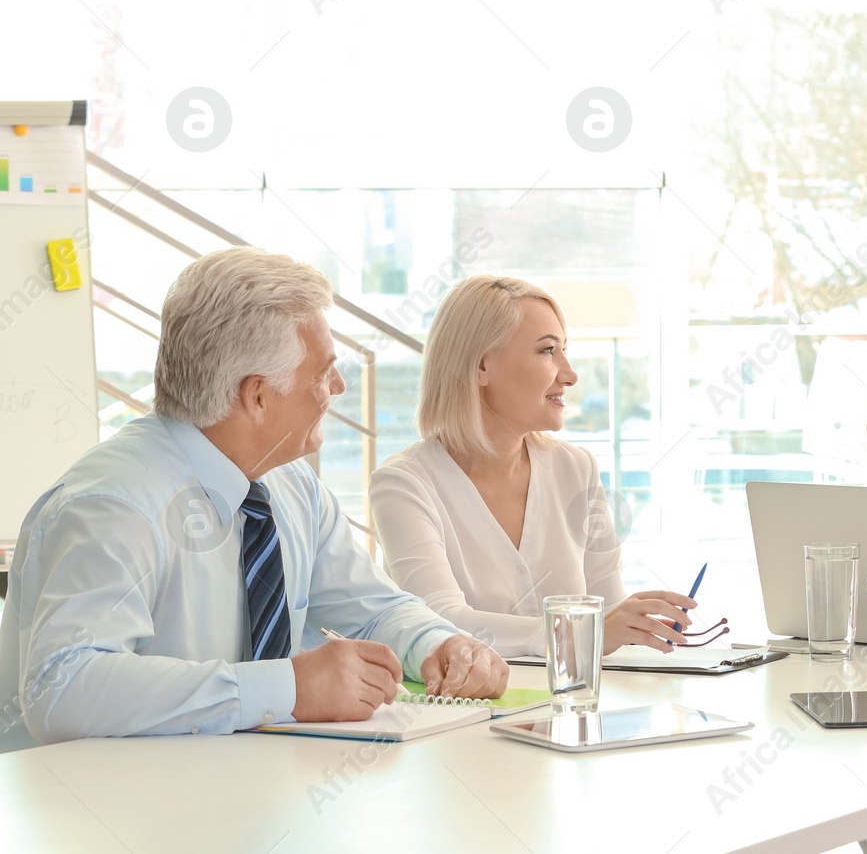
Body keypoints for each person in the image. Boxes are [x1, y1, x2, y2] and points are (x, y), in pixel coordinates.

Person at [0, 248, 506, 753]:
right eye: (324, 373)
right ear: (258, 396)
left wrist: (439, 644)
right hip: (100, 816)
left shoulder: (290, 483)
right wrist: (286, 686)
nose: (339, 386)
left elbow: (371, 610)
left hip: (238, 798)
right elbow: (61, 687)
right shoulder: (114, 505)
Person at [369, 275, 696, 659]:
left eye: (564, 351)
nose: (570, 374)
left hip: (574, 705)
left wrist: (636, 624)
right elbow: (439, 621)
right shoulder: (404, 484)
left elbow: (606, 620)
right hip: (468, 715)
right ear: (480, 366)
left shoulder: (575, 468)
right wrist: (580, 632)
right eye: (547, 351)